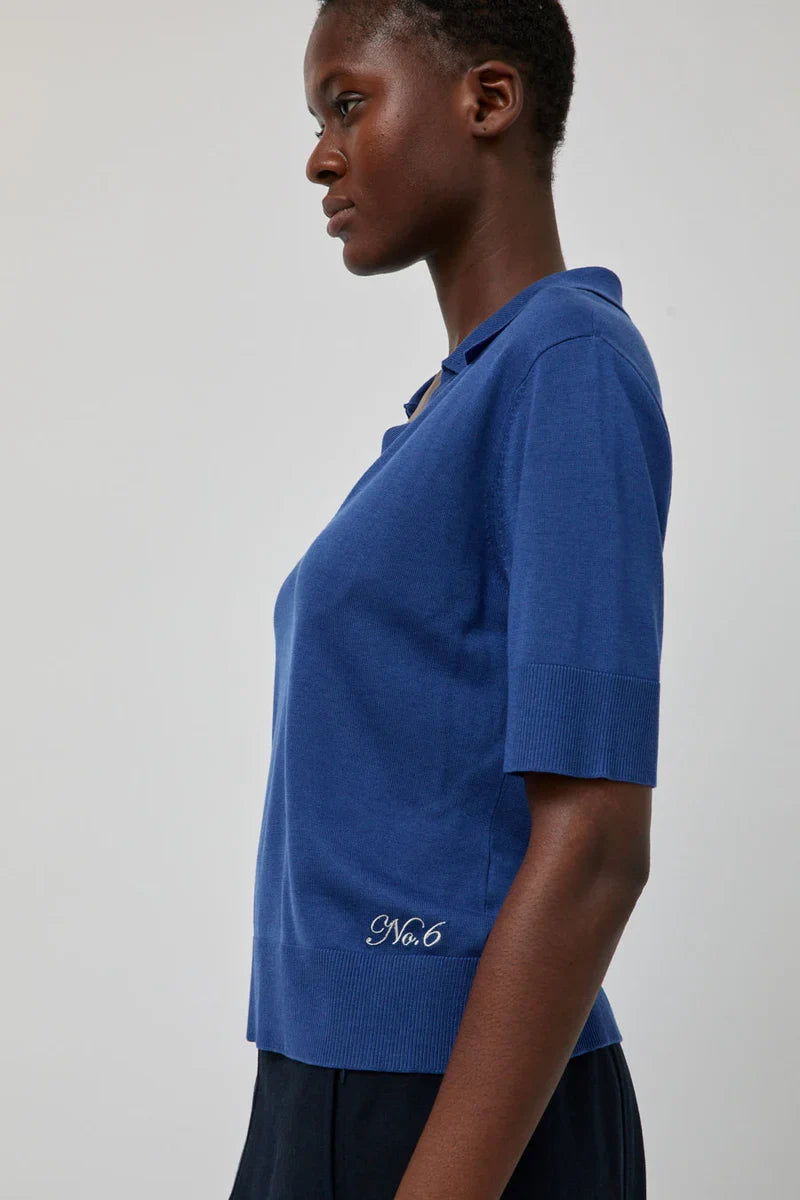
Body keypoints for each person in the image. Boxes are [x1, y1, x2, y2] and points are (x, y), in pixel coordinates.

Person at [229, 1, 672, 1197]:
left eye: (348, 103)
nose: (319, 156)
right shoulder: (458, 401)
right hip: (322, 1085)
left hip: (457, 1111)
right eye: (316, 119)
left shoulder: (566, 364)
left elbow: (595, 843)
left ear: (487, 100)